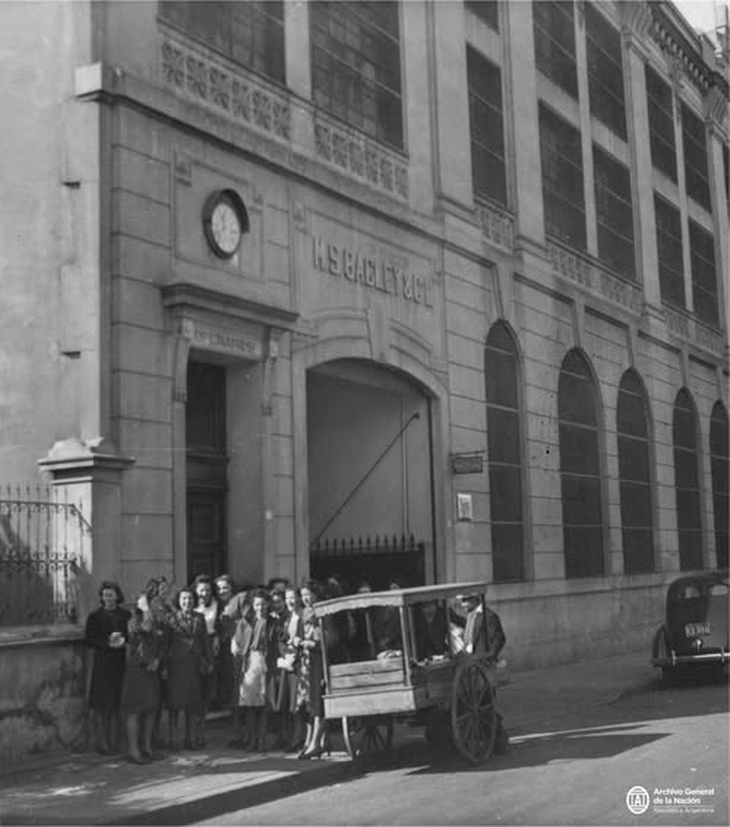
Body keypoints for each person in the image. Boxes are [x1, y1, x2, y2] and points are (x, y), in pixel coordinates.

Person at [457, 591, 509, 753]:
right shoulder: (470, 616)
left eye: (465, 601)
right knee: (479, 705)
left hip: (483, 666)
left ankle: (498, 741)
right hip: (471, 665)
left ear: (474, 600)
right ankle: (486, 740)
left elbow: (499, 638)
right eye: (462, 601)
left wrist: (489, 656)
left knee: (487, 704)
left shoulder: (489, 616)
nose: (462, 605)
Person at [83, 580, 131, 755]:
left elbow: (131, 635)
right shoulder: (95, 616)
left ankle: (114, 742)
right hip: (102, 664)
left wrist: (124, 640)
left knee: (116, 704)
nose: (107, 598)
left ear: (117, 596)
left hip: (119, 663)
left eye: (111, 595)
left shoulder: (125, 615)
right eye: (105, 595)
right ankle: (102, 743)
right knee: (101, 705)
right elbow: (89, 640)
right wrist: (107, 642)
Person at [165, 587, 213, 750]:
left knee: (193, 703)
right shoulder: (171, 618)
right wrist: (164, 666)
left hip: (194, 665)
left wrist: (209, 660)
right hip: (177, 666)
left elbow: (205, 641)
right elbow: (166, 644)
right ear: (179, 601)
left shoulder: (200, 618)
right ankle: (173, 739)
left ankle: (190, 738)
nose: (187, 602)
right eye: (184, 598)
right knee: (175, 703)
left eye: (190, 598)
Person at [120, 581, 163, 764]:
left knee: (151, 710)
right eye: (153, 602)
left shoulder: (156, 620)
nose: (157, 605)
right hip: (137, 670)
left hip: (151, 671)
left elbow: (159, 643)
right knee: (134, 712)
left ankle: (147, 748)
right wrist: (145, 608)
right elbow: (146, 628)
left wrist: (157, 659)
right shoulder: (134, 620)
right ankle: (133, 751)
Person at [231, 589, 278, 751]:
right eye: (257, 604)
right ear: (253, 605)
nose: (260, 608)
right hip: (250, 662)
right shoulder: (246, 622)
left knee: (264, 704)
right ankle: (251, 740)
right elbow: (238, 643)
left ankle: (261, 740)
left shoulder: (273, 622)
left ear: (268, 604)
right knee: (250, 704)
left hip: (267, 661)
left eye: (263, 604)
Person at [293, 580, 327, 759]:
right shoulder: (303, 612)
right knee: (308, 703)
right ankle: (309, 741)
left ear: (315, 594)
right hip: (306, 661)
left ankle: (316, 742)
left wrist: (313, 643)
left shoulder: (324, 610)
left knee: (318, 700)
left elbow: (330, 637)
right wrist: (297, 641)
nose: (306, 598)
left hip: (319, 660)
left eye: (308, 594)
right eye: (303, 595)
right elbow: (299, 633)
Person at [275, 586, 305, 751]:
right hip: (288, 664)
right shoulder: (286, 618)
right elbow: (281, 639)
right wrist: (285, 655)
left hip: (301, 663)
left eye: (293, 598)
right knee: (288, 703)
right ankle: (289, 737)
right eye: (287, 599)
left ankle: (299, 738)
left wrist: (296, 655)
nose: (290, 601)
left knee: (298, 702)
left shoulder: (303, 616)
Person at [193, 574, 221, 712]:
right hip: (195, 641)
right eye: (201, 590)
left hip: (211, 641)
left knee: (211, 672)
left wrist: (217, 637)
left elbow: (220, 624)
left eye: (208, 590)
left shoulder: (216, 604)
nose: (204, 593)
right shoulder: (190, 603)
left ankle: (211, 702)